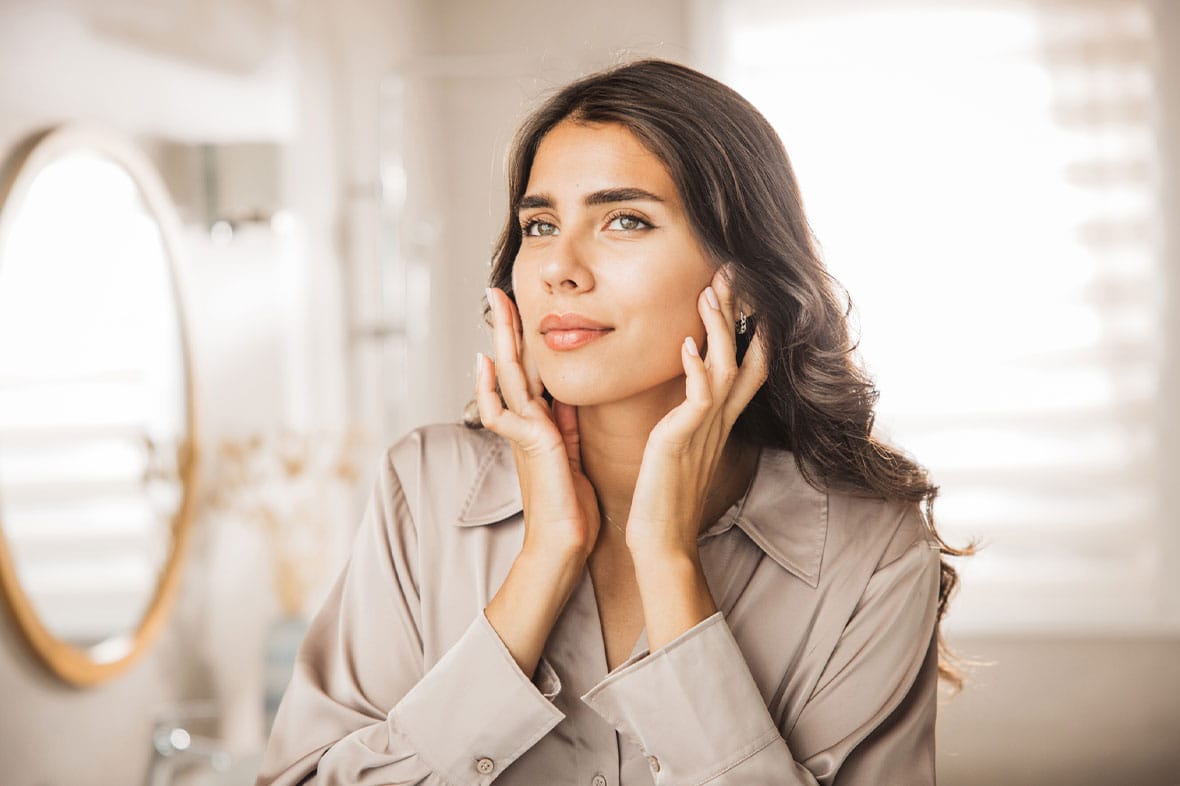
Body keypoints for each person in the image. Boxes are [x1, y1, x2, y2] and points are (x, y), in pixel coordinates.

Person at [256, 58, 968, 786]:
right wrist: (542, 562)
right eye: (539, 224)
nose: (558, 268)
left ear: (746, 282)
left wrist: (668, 561)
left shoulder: (871, 548)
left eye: (624, 220)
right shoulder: (426, 487)